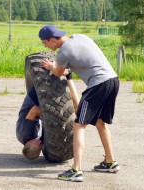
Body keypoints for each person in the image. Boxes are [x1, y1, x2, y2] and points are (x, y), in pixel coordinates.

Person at [38, 25, 120, 182]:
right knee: (100, 122)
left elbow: (57, 73)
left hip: (99, 83)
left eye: (45, 42)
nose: (45, 46)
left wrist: (50, 65)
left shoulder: (64, 52)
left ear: (53, 40)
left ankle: (76, 170)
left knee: (78, 125)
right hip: (113, 80)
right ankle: (110, 162)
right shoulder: (80, 37)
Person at [16, 86, 43, 160]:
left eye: (38, 145)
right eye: (40, 148)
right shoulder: (31, 139)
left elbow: (35, 110)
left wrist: (49, 120)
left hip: (35, 97)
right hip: (39, 101)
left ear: (29, 144)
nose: (40, 144)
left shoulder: (25, 133)